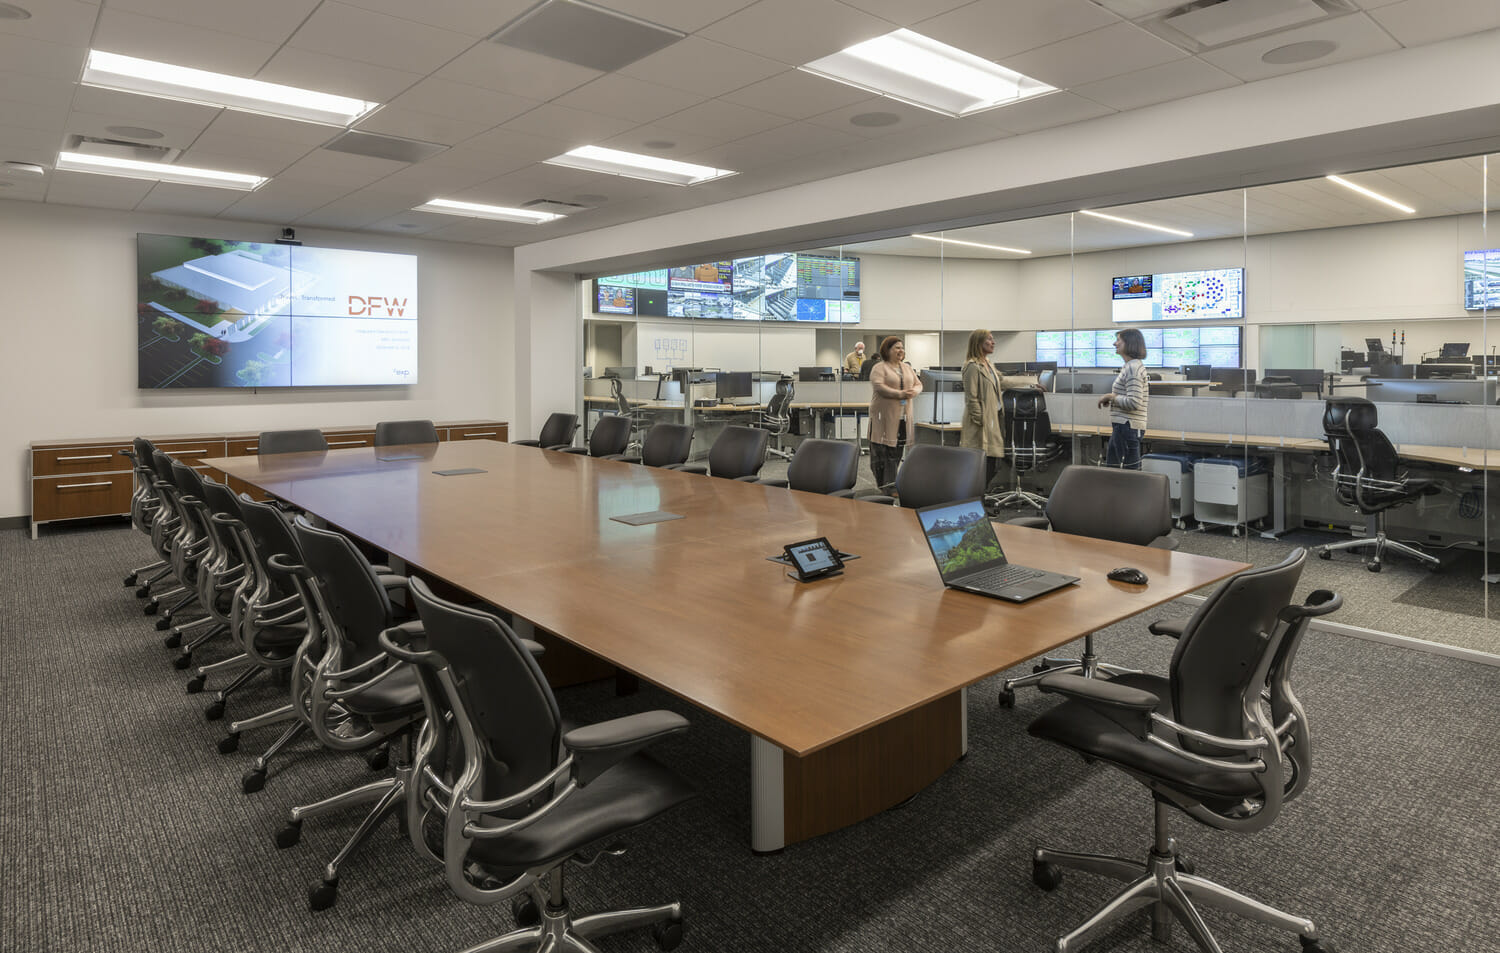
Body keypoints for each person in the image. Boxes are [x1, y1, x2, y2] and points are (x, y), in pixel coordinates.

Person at [868, 336, 922, 492]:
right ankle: (886, 486)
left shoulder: (906, 368)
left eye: (902, 347)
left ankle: (891, 485)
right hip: (883, 417)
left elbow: (919, 384)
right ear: (887, 350)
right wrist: (900, 394)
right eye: (897, 347)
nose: (901, 350)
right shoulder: (880, 368)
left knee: (896, 453)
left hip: (903, 418)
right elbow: (879, 386)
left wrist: (913, 392)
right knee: (882, 452)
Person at [959, 328, 1010, 490]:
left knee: (993, 464)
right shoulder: (972, 366)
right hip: (980, 424)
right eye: (989, 339)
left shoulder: (989, 365)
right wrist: (981, 419)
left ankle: (977, 497)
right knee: (983, 466)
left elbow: (1003, 382)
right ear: (978, 343)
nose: (993, 342)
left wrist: (1031, 384)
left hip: (993, 421)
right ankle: (975, 500)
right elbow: (971, 398)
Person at [1098, 328, 1149, 469]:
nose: (1114, 343)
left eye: (1118, 340)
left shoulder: (1133, 368)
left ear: (1129, 343)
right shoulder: (1130, 366)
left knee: (1123, 476)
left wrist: (1112, 397)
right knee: (1119, 473)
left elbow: (1134, 402)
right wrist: (1114, 398)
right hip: (1125, 426)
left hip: (1127, 426)